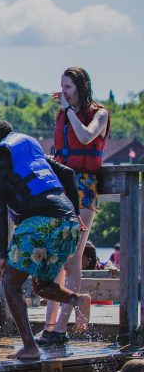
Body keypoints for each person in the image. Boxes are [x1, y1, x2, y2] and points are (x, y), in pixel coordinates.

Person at [0, 120, 90, 361]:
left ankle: (30, 348)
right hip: (68, 224)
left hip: (41, 223)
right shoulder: (30, 150)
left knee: (10, 284)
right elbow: (69, 174)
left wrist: (1, 253)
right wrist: (74, 211)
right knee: (41, 285)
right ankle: (77, 299)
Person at [41, 67, 110, 343]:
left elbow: (85, 137)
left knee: (73, 259)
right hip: (61, 188)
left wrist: (69, 110)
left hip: (84, 188)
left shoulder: (99, 113)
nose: (63, 91)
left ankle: (61, 327)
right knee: (54, 258)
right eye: (61, 86)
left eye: (68, 87)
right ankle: (49, 326)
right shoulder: (62, 115)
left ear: (80, 87)